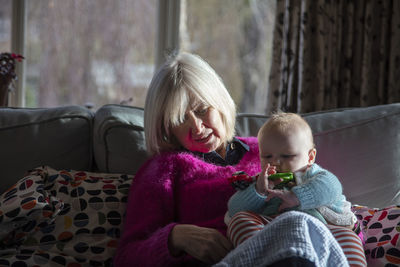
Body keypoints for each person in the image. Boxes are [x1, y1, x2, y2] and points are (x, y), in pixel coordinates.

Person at [113, 52, 364, 267]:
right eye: (180, 119)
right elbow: (126, 258)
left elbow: (324, 192)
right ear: (167, 128)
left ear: (219, 102)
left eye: (202, 110)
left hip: (300, 250)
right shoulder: (163, 169)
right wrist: (175, 237)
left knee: (299, 226)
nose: (197, 128)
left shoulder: (268, 149)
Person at [224, 112, 366, 266]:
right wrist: (258, 191)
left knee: (349, 237)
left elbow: (333, 187)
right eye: (267, 156)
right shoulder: (261, 182)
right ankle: (258, 257)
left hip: (321, 230)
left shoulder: (314, 175)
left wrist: (297, 196)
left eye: (287, 156)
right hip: (272, 233)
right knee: (239, 220)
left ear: (310, 157)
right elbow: (234, 209)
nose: (276, 162)